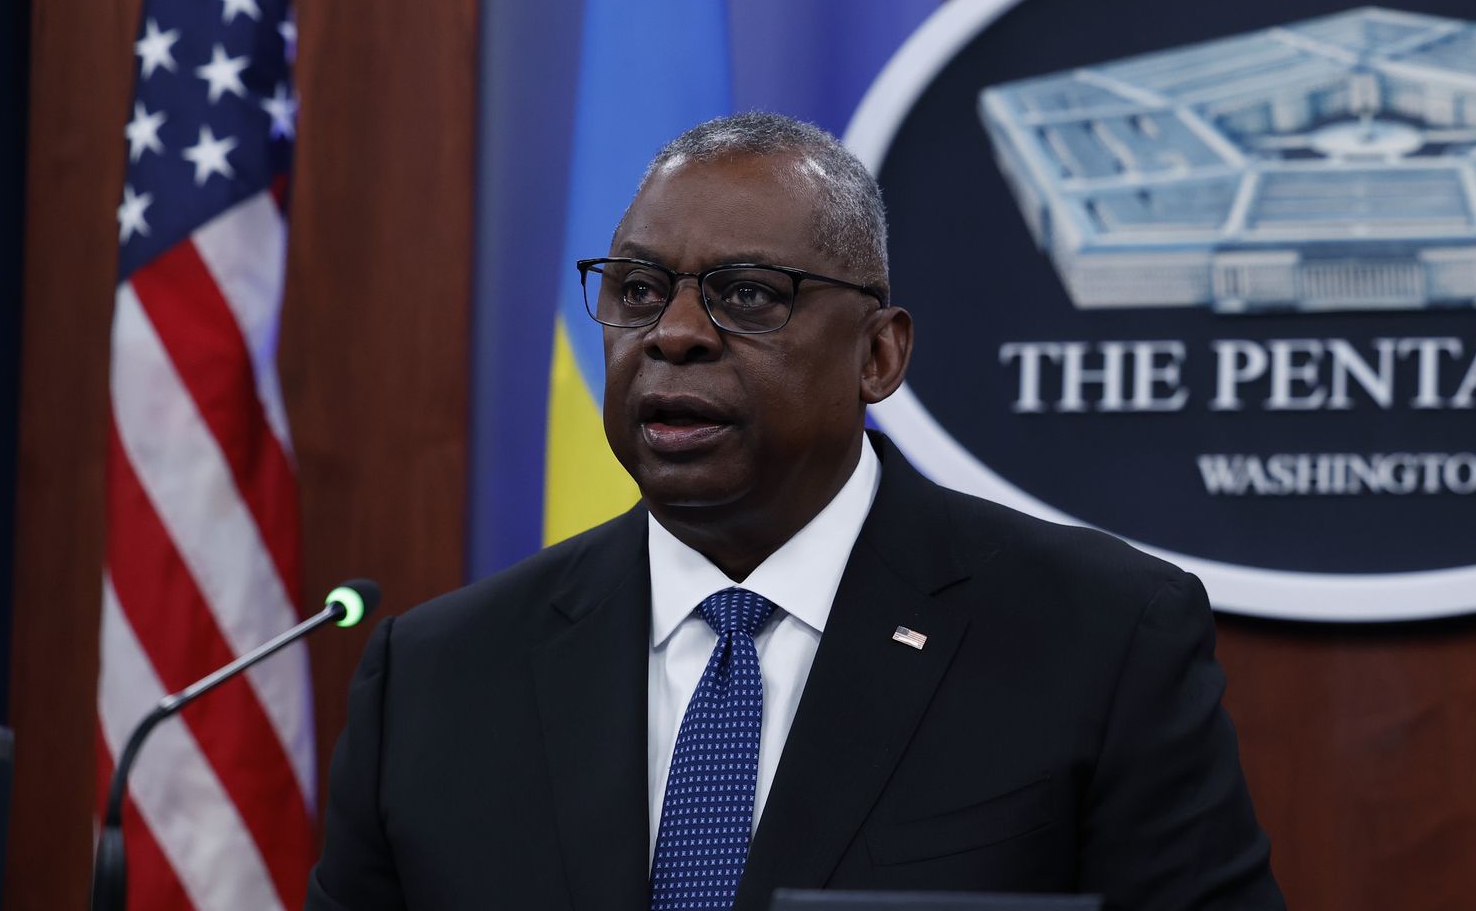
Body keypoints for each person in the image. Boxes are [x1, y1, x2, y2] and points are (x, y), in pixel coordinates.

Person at [308, 113, 1282, 910]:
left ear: (879, 355)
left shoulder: (1096, 637)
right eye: (639, 291)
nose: (675, 335)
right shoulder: (436, 677)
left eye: (748, 295)